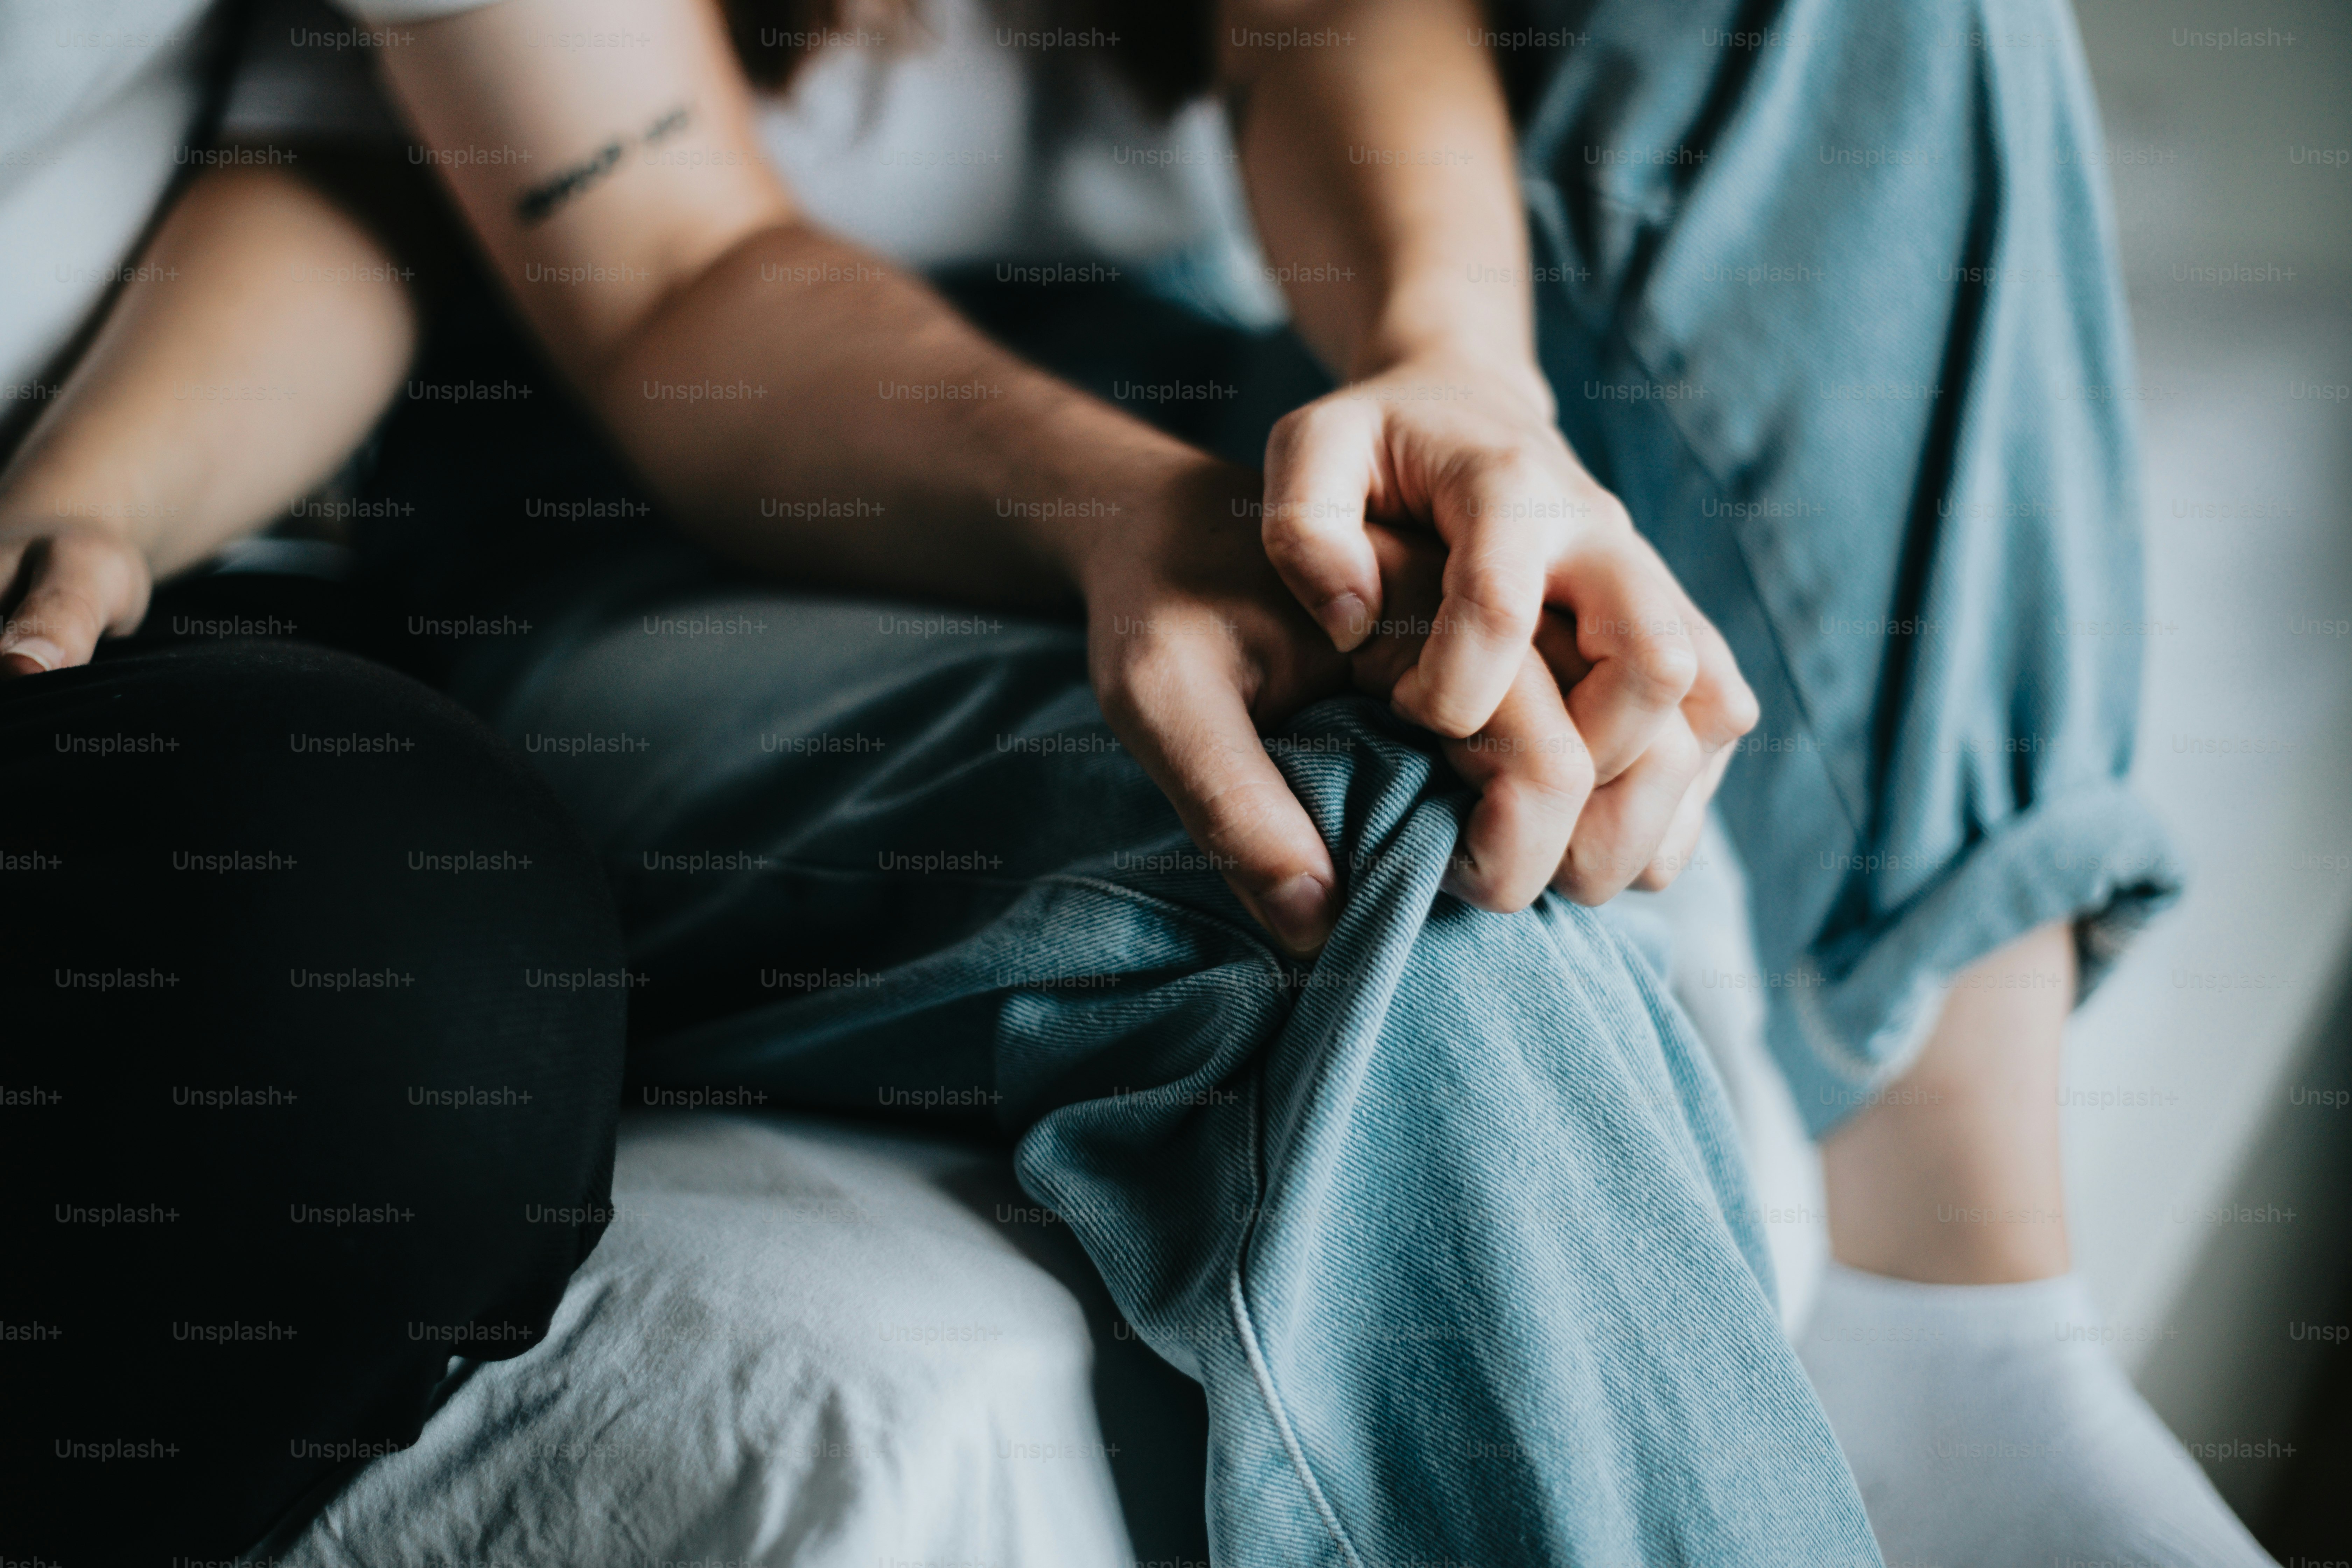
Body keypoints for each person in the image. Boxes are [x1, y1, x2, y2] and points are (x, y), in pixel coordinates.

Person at [0, 1, 2273, 1565]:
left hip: (1196, 397)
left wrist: (1460, 383)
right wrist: (1137, 520)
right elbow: (680, 280)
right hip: (677, 527)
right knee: (1341, 829)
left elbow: (1323, 33)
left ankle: (1962, 1323)